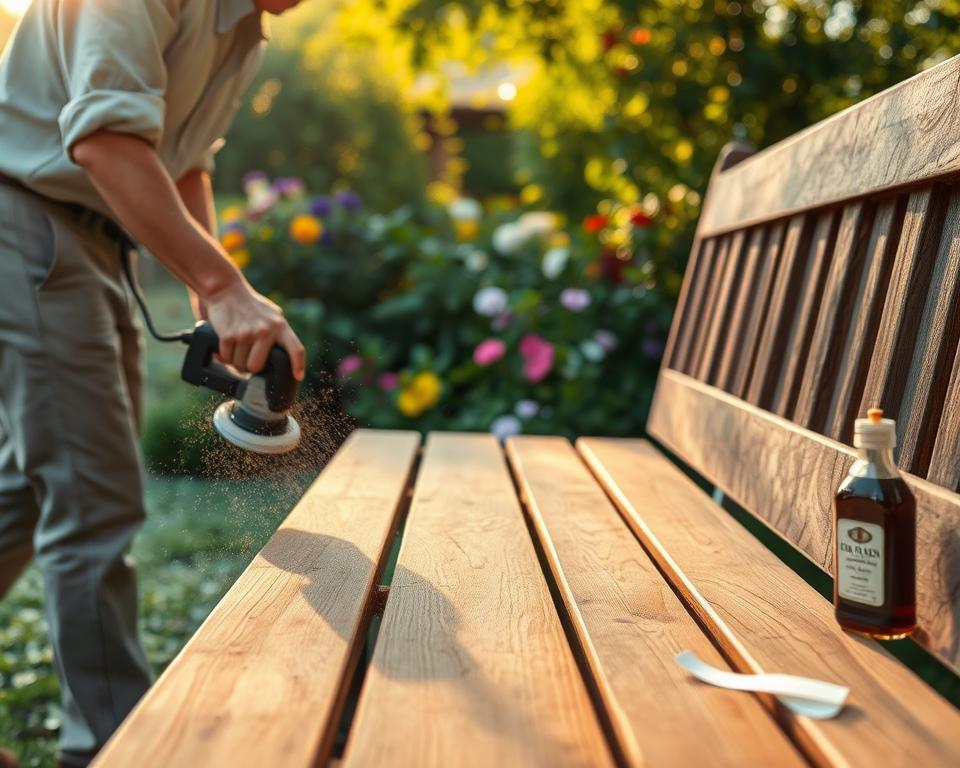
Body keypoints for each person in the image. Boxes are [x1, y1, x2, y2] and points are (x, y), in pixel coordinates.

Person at [0, 1, 307, 766]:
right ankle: (110, 750)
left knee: (34, 486)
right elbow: (105, 142)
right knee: (92, 495)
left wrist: (214, 288)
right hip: (25, 218)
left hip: (93, 238)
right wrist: (223, 284)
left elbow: (185, 161)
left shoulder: (242, 25)